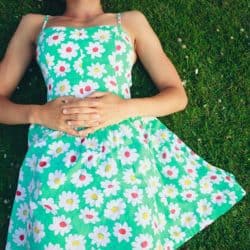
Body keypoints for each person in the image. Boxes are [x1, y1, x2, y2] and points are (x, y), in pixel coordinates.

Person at [1, 0, 246, 249]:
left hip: (122, 151)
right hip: (55, 153)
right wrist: (40, 114)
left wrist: (123, 108)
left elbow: (176, 95)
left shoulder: (128, 21)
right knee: (50, 234)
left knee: (134, 232)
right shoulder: (35, 24)